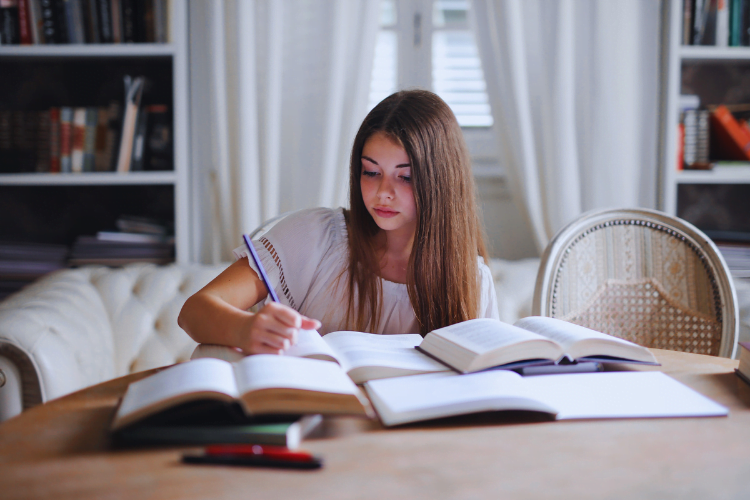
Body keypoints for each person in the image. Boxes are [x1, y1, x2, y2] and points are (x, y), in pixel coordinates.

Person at [178, 89, 499, 354]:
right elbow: (194, 312)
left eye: (405, 177)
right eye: (371, 172)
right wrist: (246, 328)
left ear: (440, 182)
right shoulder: (315, 236)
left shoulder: (470, 281)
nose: (383, 193)